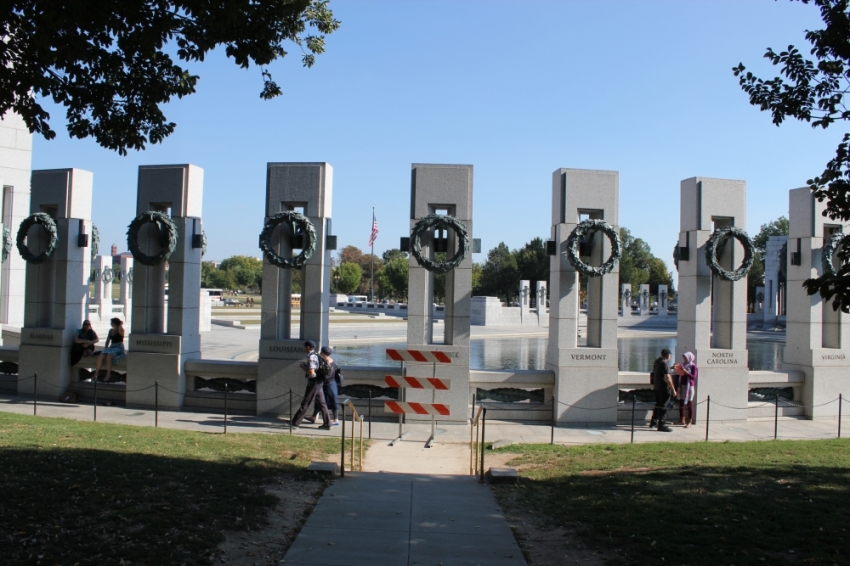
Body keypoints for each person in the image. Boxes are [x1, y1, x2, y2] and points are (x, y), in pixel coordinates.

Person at [290, 340, 331, 429]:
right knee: (322, 403)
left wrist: (303, 367)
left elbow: (312, 372)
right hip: (319, 382)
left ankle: (295, 423)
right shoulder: (317, 355)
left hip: (314, 382)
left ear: (308, 347)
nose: (303, 347)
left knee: (306, 403)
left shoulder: (312, 357)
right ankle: (327, 424)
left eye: (304, 346)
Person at [306, 346, 342, 426]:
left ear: (323, 353)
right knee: (319, 401)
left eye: (321, 352)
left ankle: (336, 419)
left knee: (333, 401)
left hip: (329, 384)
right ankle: (313, 417)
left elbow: (327, 375)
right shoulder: (329, 361)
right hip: (327, 383)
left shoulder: (328, 362)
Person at [649, 348, 677, 432]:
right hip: (664, 388)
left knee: (658, 405)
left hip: (657, 387)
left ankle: (653, 422)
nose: (671, 357)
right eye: (670, 355)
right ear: (668, 355)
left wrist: (670, 367)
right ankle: (662, 425)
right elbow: (667, 378)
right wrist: (673, 389)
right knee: (664, 406)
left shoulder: (657, 361)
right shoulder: (664, 363)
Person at [93, 318, 125, 382]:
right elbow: (108, 340)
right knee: (101, 355)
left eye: (112, 323)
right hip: (112, 346)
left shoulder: (120, 330)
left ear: (115, 323)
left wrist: (120, 325)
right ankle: (96, 372)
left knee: (109, 356)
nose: (111, 324)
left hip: (118, 347)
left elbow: (121, 331)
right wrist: (105, 348)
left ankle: (108, 374)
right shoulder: (110, 330)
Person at [674, 352, 698, 428]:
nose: (684, 359)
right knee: (681, 403)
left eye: (686, 357)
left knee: (689, 403)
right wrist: (675, 368)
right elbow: (679, 373)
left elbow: (693, 377)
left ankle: (690, 421)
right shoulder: (682, 365)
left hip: (689, 386)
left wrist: (686, 372)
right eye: (684, 357)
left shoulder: (693, 366)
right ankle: (682, 420)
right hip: (682, 385)